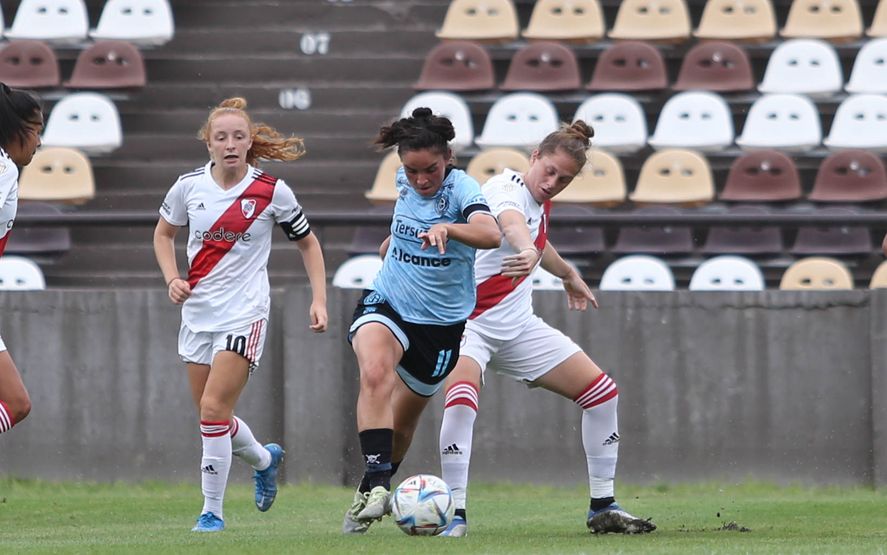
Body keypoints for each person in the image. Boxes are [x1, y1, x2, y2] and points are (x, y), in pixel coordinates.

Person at [437, 121, 656, 537]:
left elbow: (537, 238)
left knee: (602, 394)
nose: (553, 183)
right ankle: (455, 513)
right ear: (534, 157)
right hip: (469, 325)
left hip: (518, 327)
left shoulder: (540, 201)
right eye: (550, 171)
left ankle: (602, 506)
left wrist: (567, 273)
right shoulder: (505, 187)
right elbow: (513, 223)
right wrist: (522, 249)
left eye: (565, 179)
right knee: (462, 399)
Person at [153, 97, 328, 532]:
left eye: (238, 137)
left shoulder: (272, 190)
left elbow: (308, 242)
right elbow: (163, 234)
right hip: (197, 315)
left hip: (244, 314)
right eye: (221, 137)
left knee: (213, 411)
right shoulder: (188, 187)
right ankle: (265, 460)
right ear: (208, 143)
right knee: (213, 417)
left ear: (250, 142)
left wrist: (319, 299)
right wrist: (172, 277)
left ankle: (211, 513)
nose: (230, 144)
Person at [342, 107, 500, 534]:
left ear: (447, 157)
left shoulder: (463, 188)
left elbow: (491, 234)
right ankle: (378, 487)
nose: (421, 180)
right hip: (389, 300)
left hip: (441, 325)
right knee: (375, 372)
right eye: (411, 171)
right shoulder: (403, 180)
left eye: (430, 169)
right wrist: (396, 241)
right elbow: (409, 217)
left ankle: (368, 487)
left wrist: (451, 228)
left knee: (403, 424)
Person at [0, 83, 42, 437]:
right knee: (16, 403)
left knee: (17, 403)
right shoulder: (4, 169)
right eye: (37, 129)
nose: (40, 142)